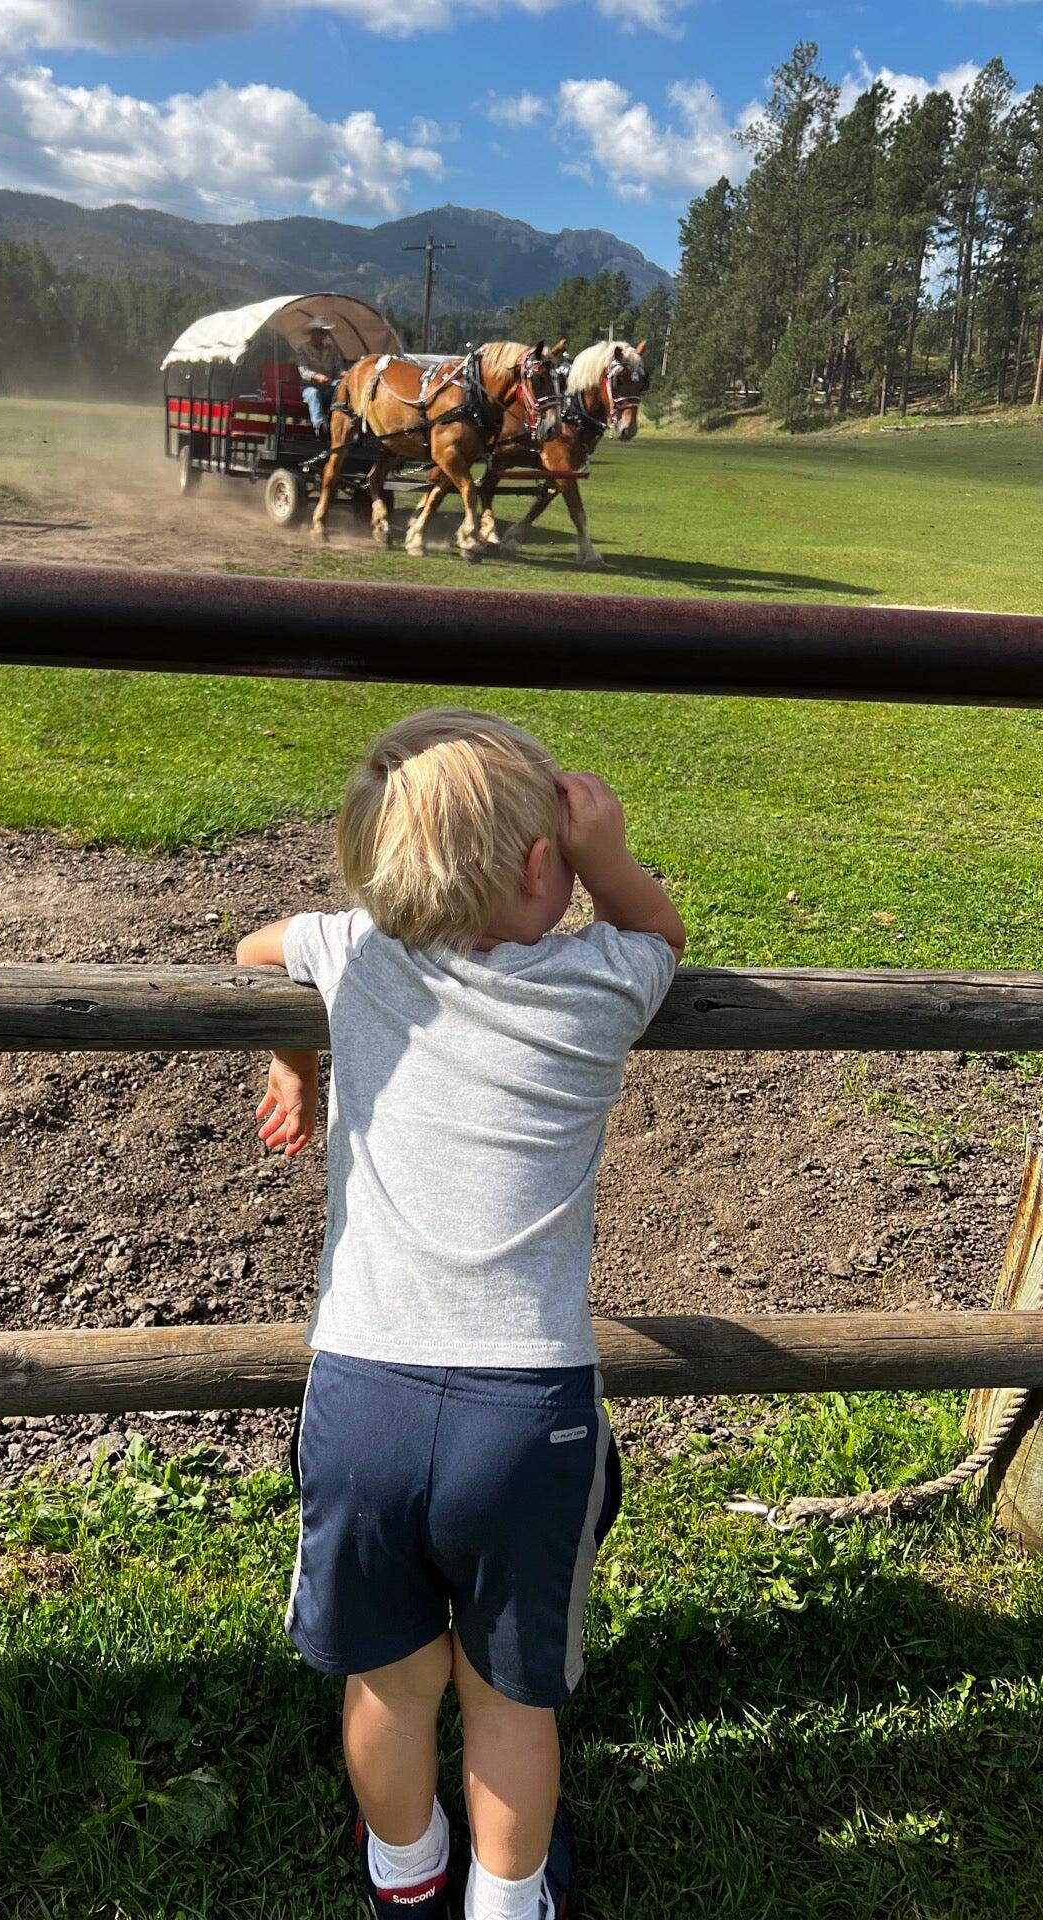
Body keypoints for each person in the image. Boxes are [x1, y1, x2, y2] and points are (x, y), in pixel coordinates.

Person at [235, 710, 686, 1920]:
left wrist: (301, 1055)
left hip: (364, 1397)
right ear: (547, 864)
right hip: (525, 1409)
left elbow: (253, 945)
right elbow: (661, 929)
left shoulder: (355, 954)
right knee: (507, 1694)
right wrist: (613, 864)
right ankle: (506, 1899)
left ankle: (404, 1876)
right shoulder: (602, 981)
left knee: (388, 1681)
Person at [296, 318, 348, 435]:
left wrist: (345, 374)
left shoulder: (332, 350)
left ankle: (340, 421)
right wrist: (316, 376)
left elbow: (339, 368)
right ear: (312, 334)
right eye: (318, 332)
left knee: (340, 387)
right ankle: (319, 426)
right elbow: (303, 370)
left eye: (323, 332)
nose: (321, 335)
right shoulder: (303, 349)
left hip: (328, 387)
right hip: (308, 387)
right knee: (313, 393)